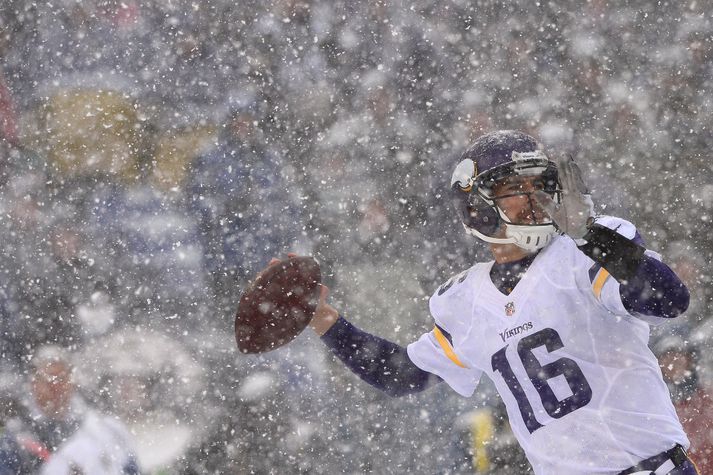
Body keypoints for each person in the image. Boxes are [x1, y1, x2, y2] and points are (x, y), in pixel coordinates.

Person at [276, 130, 696, 474]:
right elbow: (402, 374)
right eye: (515, 187)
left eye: (541, 185)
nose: (535, 198)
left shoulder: (586, 249)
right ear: (476, 208)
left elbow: (669, 301)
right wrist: (326, 323)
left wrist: (591, 236)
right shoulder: (465, 300)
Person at [0, 345, 140, 475]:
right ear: (33, 384)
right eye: (48, 379)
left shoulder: (104, 429)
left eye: (61, 378)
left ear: (73, 381)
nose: (55, 387)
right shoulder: (15, 438)